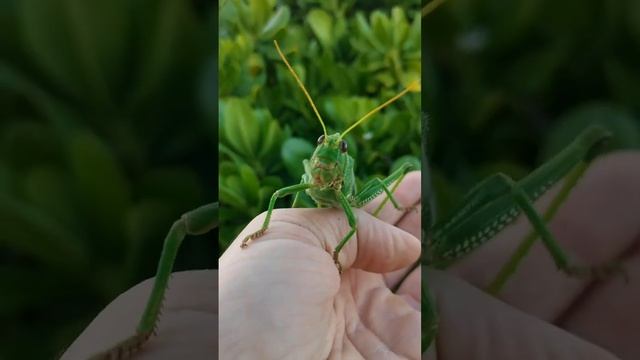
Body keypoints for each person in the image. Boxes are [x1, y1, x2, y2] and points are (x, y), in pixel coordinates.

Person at [63, 153, 640, 360]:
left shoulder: (362, 195)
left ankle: (572, 265)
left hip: (412, 250)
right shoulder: (299, 199)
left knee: (503, 184)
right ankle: (142, 333)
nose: (322, 166)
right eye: (319, 158)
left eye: (330, 160)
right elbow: (281, 201)